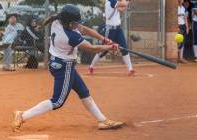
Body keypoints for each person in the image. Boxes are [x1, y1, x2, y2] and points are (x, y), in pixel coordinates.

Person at [12, 4, 124, 132]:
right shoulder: (71, 36)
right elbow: (93, 48)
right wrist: (110, 47)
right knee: (57, 101)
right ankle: (22, 115)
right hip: (64, 67)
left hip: (59, 63)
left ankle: (102, 120)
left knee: (84, 92)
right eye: (75, 23)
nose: (78, 25)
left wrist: (104, 39)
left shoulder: (57, 21)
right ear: (69, 23)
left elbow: (84, 29)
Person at [89, 0, 135, 76]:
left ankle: (130, 69)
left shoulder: (114, 2)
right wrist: (126, 1)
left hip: (118, 29)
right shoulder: (111, 2)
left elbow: (121, 9)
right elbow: (123, 3)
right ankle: (91, 67)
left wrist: (127, 3)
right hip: (110, 30)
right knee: (104, 50)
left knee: (124, 47)